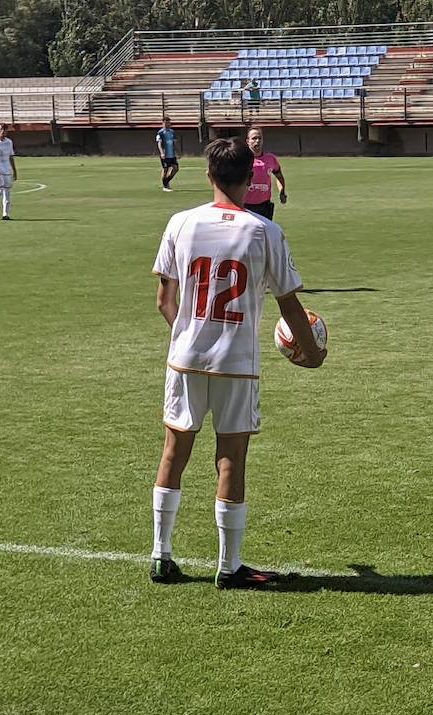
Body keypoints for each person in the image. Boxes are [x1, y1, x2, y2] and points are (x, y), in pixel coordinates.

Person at [148, 137, 325, 590]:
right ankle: (229, 567)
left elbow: (164, 299)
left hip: (185, 356)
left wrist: (187, 334)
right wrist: (313, 353)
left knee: (174, 451)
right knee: (231, 458)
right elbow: (289, 304)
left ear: (208, 176)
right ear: (252, 178)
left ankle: (161, 555)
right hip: (236, 362)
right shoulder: (265, 232)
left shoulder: (181, 222)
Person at [244, 127, 286, 220]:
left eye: (260, 138)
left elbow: (279, 176)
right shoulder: (242, 159)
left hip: (264, 206)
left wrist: (282, 191)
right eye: (254, 138)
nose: (257, 141)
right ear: (248, 141)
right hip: (245, 206)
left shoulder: (270, 159)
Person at [155, 116, 179, 192]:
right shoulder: (160, 133)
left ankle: (166, 181)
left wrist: (177, 152)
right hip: (165, 155)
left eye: (168, 123)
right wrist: (162, 152)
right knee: (165, 169)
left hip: (172, 154)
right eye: (165, 123)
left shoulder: (172, 132)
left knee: (176, 168)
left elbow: (175, 143)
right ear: (162, 123)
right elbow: (159, 143)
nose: (167, 124)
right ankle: (165, 186)